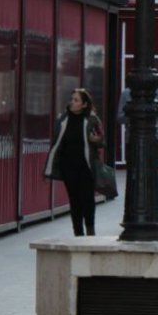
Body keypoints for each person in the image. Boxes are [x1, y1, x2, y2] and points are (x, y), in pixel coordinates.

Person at [43, 88, 104, 236]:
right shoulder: (63, 119)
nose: (72, 102)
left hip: (86, 166)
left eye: (76, 100)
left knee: (88, 199)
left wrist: (96, 140)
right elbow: (56, 143)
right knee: (74, 200)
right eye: (72, 99)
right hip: (68, 166)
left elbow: (101, 140)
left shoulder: (92, 119)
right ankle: (78, 233)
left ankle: (90, 230)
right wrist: (48, 167)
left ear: (84, 104)